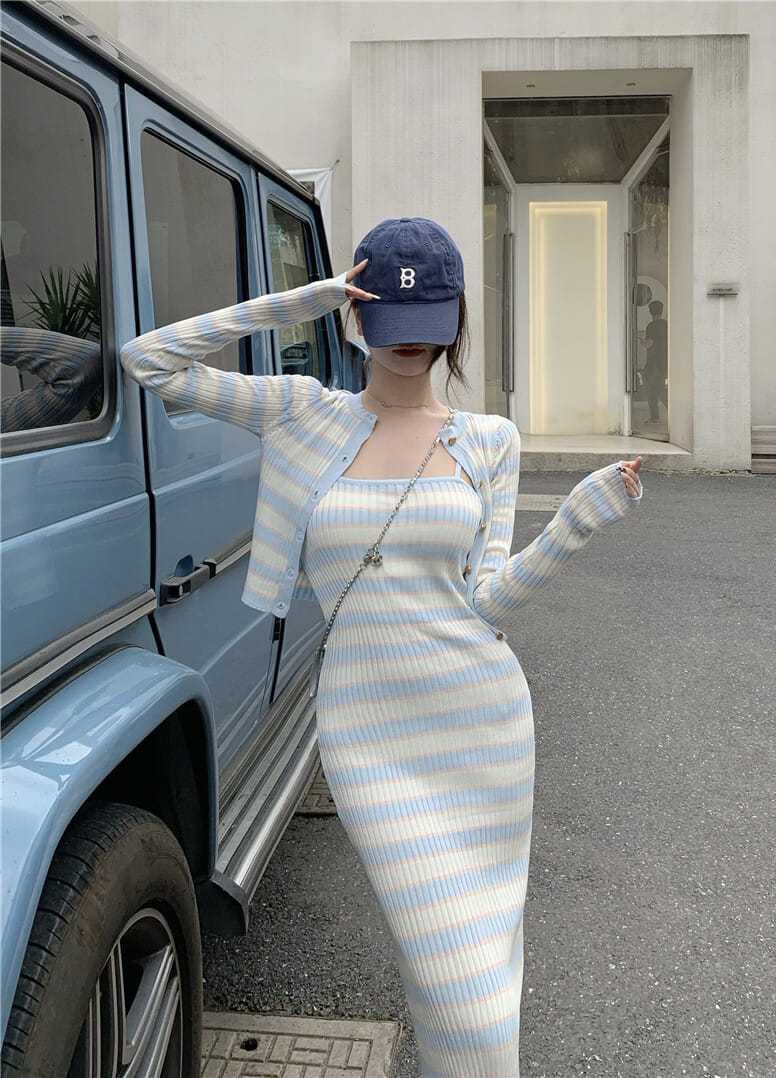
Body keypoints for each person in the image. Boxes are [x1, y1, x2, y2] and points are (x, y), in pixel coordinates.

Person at [121, 216, 643, 1077]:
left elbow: (485, 603)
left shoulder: (489, 440)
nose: (411, 343)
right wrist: (307, 299)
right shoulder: (302, 413)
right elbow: (149, 361)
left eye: (429, 322)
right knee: (450, 975)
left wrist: (572, 526)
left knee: (472, 988)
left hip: (481, 726)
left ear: (456, 319)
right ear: (358, 318)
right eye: (388, 319)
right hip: (368, 734)